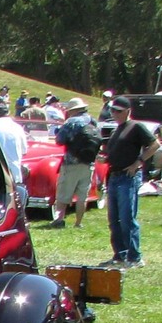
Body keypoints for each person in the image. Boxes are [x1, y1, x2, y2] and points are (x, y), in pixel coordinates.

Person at [101, 94, 159, 268]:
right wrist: (106, 159)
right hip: (114, 176)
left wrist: (138, 162)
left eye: (118, 111)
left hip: (128, 177)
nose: (114, 113)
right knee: (114, 218)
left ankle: (135, 256)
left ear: (128, 111)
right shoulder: (116, 130)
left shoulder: (135, 127)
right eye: (112, 110)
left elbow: (155, 144)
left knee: (127, 218)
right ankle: (120, 254)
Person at [52, 97, 97, 228]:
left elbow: (59, 140)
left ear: (72, 110)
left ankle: (59, 219)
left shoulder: (72, 122)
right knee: (82, 195)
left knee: (63, 193)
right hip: (89, 162)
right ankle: (78, 222)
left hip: (72, 162)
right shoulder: (92, 121)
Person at [0, 103, 29, 213]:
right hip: (15, 170)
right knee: (14, 204)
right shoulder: (18, 128)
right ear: (8, 114)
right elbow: (24, 151)